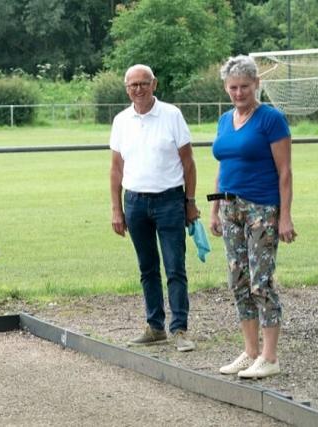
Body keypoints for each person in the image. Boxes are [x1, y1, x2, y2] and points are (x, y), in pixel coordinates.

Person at [209, 55, 296, 379]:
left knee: (261, 282)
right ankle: (250, 351)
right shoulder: (223, 120)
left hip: (262, 209)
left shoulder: (271, 119)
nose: (239, 93)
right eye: (233, 87)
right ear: (226, 87)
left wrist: (284, 217)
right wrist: (215, 209)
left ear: (256, 84)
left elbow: (285, 172)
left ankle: (270, 357)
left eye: (245, 86)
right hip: (230, 210)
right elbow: (222, 168)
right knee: (238, 282)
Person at [110, 64, 199, 352]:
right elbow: (116, 168)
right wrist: (116, 209)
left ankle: (180, 329)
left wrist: (190, 202)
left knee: (175, 266)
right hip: (135, 201)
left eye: (143, 83)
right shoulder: (121, 120)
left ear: (154, 84)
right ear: (126, 88)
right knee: (147, 268)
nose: (138, 89)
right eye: (133, 85)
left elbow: (188, 163)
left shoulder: (171, 115)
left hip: (169, 200)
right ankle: (155, 326)